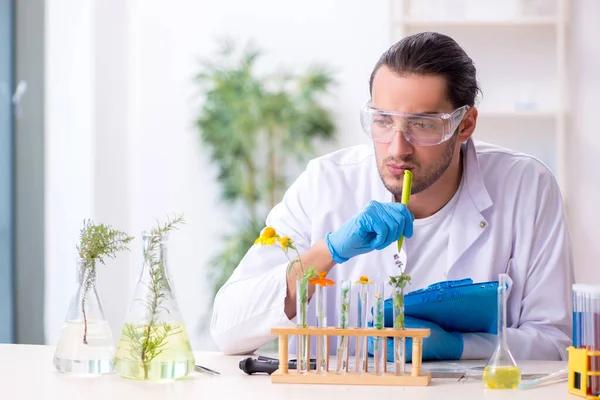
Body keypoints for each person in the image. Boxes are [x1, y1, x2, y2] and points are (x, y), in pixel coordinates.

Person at [210, 31, 574, 362]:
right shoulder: (325, 183)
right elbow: (228, 330)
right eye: (383, 121)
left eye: (422, 124)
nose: (397, 148)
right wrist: (326, 252)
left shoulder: (527, 186)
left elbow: (554, 343)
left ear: (464, 125)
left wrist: (460, 347)